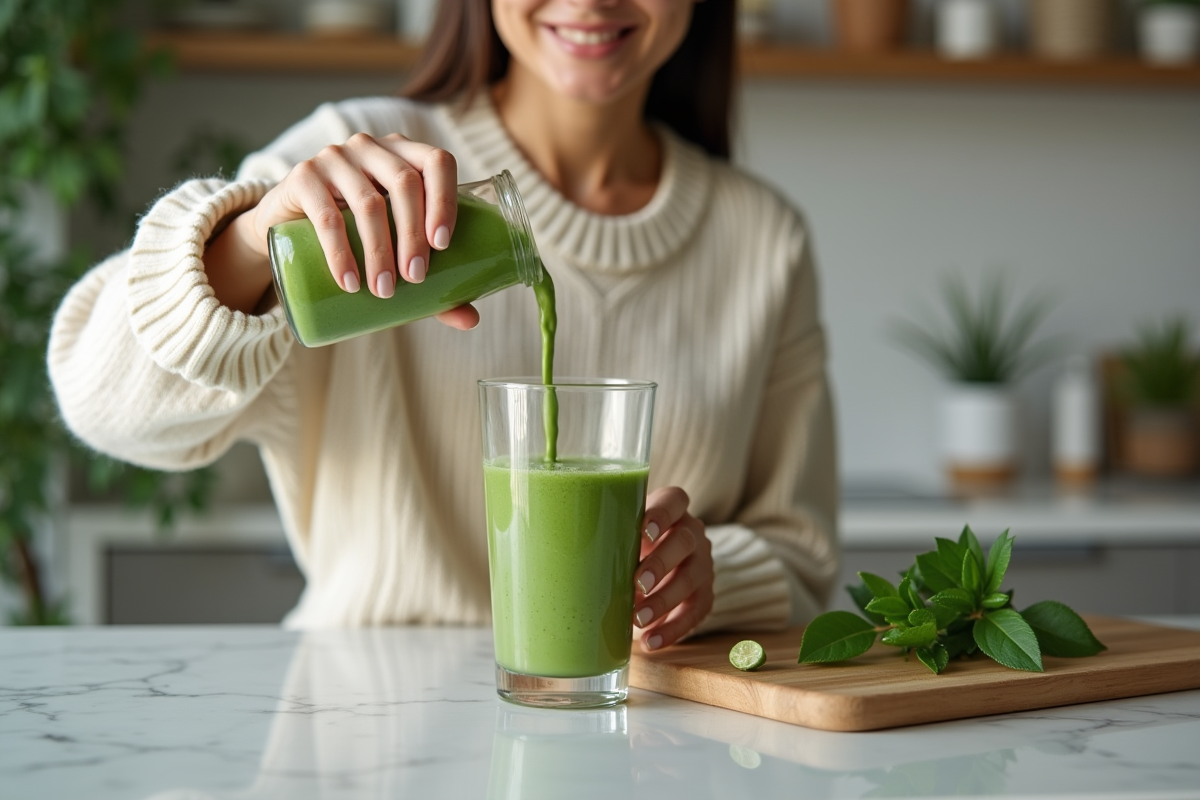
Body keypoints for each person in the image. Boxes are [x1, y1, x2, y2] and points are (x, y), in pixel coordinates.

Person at [48, 0, 838, 648]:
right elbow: (97, 399)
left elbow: (803, 558)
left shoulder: (763, 240)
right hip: (359, 737)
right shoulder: (354, 165)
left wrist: (703, 580)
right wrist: (253, 242)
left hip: (639, 742)